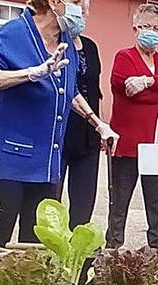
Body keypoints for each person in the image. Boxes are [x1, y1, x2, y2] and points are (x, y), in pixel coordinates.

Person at [0, 0, 117, 246]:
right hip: (12, 160)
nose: (80, 8)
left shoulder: (66, 42)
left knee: (36, 245)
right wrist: (30, 73)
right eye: (75, 1)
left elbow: (68, 90)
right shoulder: (15, 33)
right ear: (53, 2)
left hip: (47, 163)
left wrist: (98, 123)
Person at [107, 4, 158, 248]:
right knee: (119, 202)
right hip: (128, 145)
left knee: (154, 202)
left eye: (156, 28)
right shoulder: (124, 57)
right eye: (146, 26)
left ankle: (157, 249)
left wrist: (148, 82)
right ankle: (114, 248)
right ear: (135, 28)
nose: (151, 32)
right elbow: (126, 90)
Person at [59, 0, 103, 228]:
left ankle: (77, 255)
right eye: (77, 9)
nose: (81, 15)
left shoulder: (91, 47)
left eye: (85, 11)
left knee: (83, 203)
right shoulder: (52, 44)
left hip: (88, 137)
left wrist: (101, 128)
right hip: (59, 134)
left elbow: (97, 92)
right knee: (50, 203)